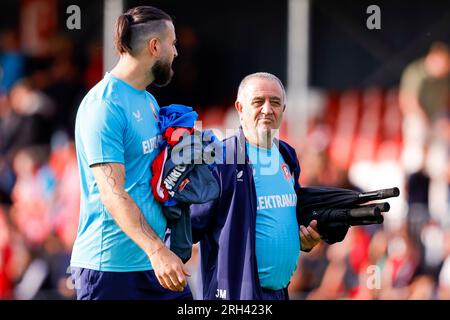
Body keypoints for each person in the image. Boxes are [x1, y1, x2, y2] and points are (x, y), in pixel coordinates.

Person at [70, 6, 192, 300]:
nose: (175, 53)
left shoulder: (148, 100)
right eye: (172, 44)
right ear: (154, 46)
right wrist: (156, 250)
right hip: (110, 270)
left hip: (152, 265)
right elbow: (113, 193)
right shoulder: (104, 105)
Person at [190, 72, 322, 300]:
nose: (268, 109)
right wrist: (164, 255)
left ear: (283, 110)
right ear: (240, 108)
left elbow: (284, 218)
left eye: (276, 102)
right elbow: (189, 223)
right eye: (258, 102)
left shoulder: (286, 156)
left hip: (280, 293)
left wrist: (305, 240)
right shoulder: (221, 159)